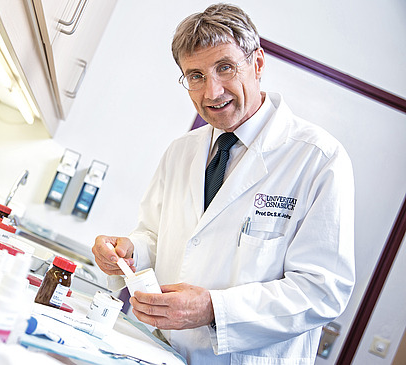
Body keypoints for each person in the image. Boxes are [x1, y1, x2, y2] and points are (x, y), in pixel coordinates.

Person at [92, 3, 355, 364]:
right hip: (161, 352)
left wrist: (214, 308)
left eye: (225, 68)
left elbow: (323, 290)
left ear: (258, 63)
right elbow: (156, 236)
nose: (212, 92)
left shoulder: (318, 159)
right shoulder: (180, 152)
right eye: (196, 76)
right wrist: (129, 252)